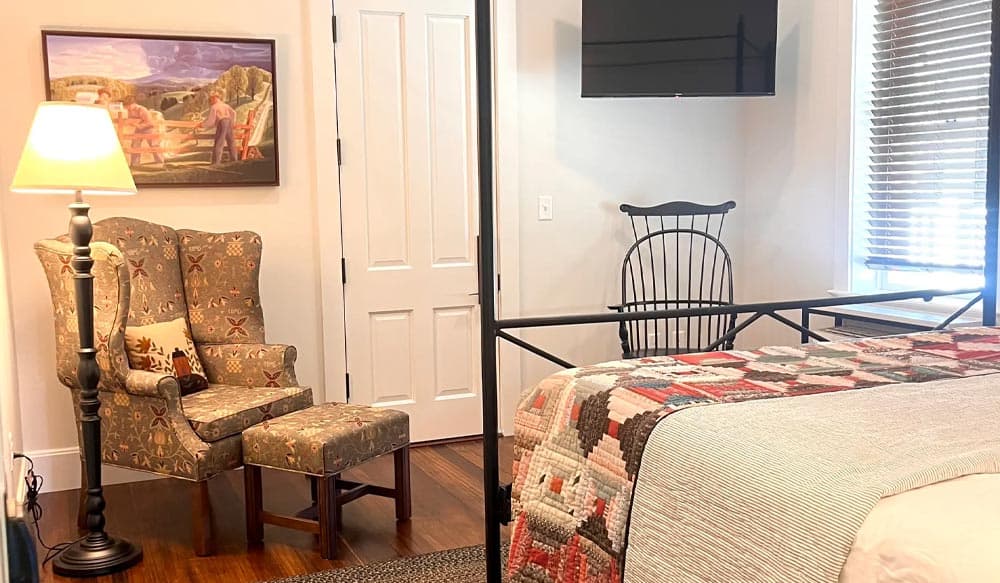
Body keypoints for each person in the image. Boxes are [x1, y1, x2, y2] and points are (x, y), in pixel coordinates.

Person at [198, 92, 240, 165]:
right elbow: (234, 113)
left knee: (219, 142)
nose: (210, 102)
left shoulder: (214, 107)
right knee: (231, 142)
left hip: (222, 123)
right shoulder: (226, 105)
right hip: (229, 122)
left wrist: (202, 125)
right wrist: (232, 122)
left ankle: (216, 163)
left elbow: (211, 121)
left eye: (210, 100)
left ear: (214, 98)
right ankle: (234, 160)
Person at [123, 95, 164, 166]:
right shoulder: (130, 111)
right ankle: (135, 164)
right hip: (139, 129)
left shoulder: (142, 109)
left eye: (128, 105)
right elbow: (133, 120)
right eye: (126, 106)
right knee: (135, 145)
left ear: (133, 104)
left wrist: (138, 125)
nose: (127, 108)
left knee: (154, 145)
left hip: (149, 129)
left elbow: (149, 122)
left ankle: (160, 162)